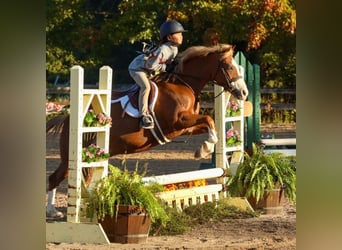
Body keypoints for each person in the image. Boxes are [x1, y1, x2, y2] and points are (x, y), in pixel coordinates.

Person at [128, 20, 186, 129]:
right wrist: (166, 67)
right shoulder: (163, 50)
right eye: (178, 34)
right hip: (137, 69)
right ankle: (143, 116)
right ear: (169, 38)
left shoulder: (175, 49)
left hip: (148, 70)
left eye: (181, 34)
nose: (181, 36)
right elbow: (151, 65)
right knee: (146, 86)